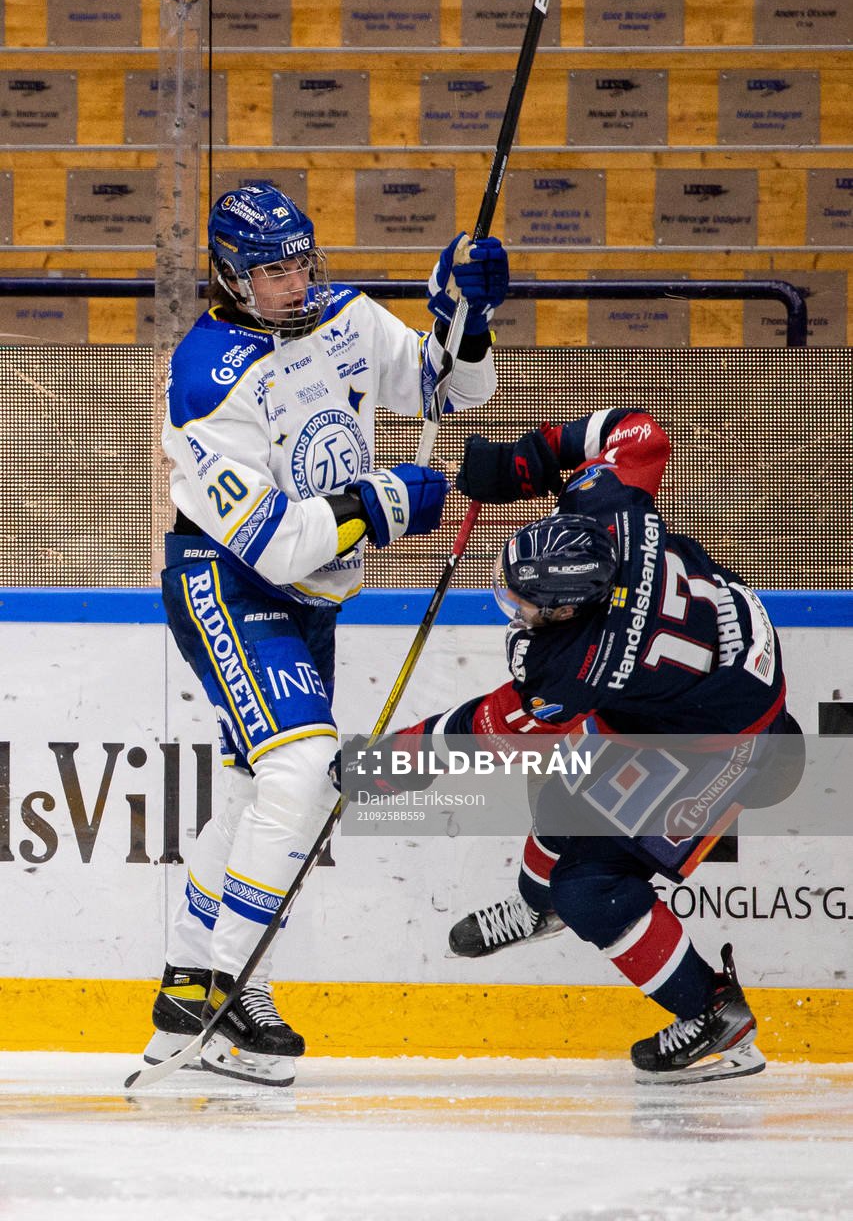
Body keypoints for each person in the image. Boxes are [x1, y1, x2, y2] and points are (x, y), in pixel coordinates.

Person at [144, 181, 508, 1085]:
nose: (294, 280)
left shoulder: (342, 315)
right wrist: (381, 501)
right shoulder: (204, 381)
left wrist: (467, 318)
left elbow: (448, 390)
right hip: (228, 581)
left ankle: (191, 985)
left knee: (251, 788)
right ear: (230, 274)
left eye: (302, 260)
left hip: (315, 596)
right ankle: (228, 991)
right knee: (303, 768)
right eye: (272, 269)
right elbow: (273, 538)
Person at [341, 407, 801, 1084]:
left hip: (729, 743)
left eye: (525, 605)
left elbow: (488, 730)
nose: (514, 609)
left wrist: (384, 766)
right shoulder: (610, 507)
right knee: (564, 796)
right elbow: (638, 429)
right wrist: (525, 462)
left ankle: (714, 1021)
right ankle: (536, 909)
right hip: (704, 684)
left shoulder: (582, 666)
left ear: (567, 610)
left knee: (589, 886)